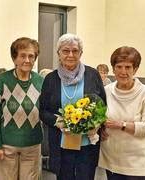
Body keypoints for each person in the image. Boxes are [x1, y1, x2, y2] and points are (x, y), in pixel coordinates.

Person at [39, 33, 106, 180]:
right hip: (61, 144)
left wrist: (96, 123)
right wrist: (59, 121)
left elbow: (103, 105)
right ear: (58, 53)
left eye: (75, 51)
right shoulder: (50, 79)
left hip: (87, 144)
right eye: (65, 50)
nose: (70, 55)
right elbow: (42, 111)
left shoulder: (92, 75)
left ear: (81, 53)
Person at [0, 37, 43, 180]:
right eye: (22, 55)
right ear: (14, 58)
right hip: (6, 147)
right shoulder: (3, 80)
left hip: (32, 145)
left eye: (31, 56)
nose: (27, 60)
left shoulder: (40, 81)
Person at [99, 46, 145, 180]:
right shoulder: (106, 91)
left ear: (135, 69)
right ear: (113, 69)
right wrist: (100, 129)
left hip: (138, 165)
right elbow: (100, 119)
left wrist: (121, 125)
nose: (123, 72)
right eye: (119, 67)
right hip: (112, 161)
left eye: (128, 67)